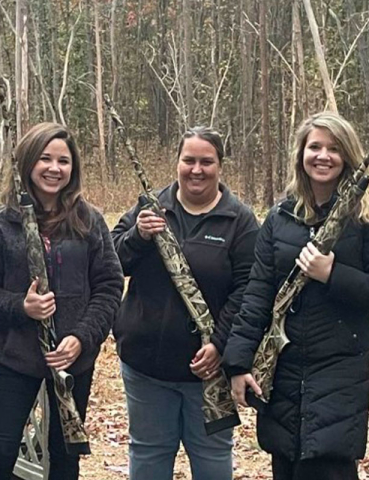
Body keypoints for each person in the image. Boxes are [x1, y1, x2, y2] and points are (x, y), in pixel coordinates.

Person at [224, 112, 369, 480]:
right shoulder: (280, 217)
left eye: (334, 149)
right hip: (284, 373)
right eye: (315, 147)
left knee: (327, 465)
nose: (323, 156)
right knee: (286, 463)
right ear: (301, 154)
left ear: (348, 156)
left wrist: (332, 274)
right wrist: (238, 363)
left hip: (339, 374)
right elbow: (258, 294)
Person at [0, 122, 124, 479]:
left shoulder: (89, 220)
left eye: (63, 161)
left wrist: (81, 338)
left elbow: (109, 286)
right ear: (28, 163)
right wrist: (21, 307)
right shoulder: (0, 223)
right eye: (45, 159)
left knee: (66, 457)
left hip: (73, 361)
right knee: (0, 455)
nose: (55, 168)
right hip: (16, 358)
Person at [110, 127, 259, 480]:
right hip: (146, 366)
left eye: (206, 162)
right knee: (148, 454)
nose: (196, 169)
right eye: (188, 160)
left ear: (220, 165)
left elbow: (249, 290)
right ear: (177, 162)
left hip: (209, 371)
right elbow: (112, 262)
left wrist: (220, 345)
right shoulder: (150, 207)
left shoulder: (239, 220)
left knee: (212, 458)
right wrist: (138, 236)